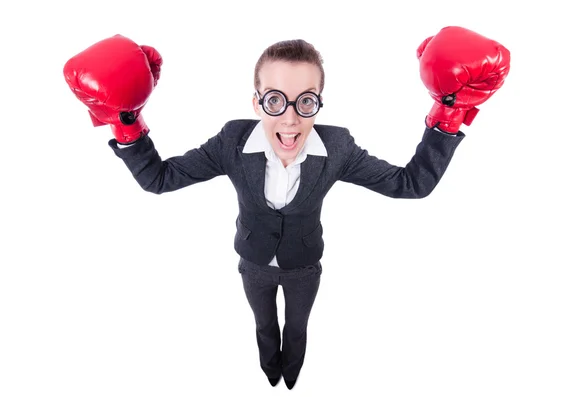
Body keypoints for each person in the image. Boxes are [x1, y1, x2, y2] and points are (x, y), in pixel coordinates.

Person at [63, 27, 510, 389]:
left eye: (306, 101)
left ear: (319, 102)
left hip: (303, 267)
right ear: (257, 101)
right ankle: (268, 372)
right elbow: (158, 179)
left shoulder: (338, 148)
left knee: (297, 328)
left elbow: (411, 184)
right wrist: (127, 121)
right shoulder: (232, 142)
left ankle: (292, 375)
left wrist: (448, 113)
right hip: (253, 263)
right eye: (275, 100)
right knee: (263, 326)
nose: (291, 118)